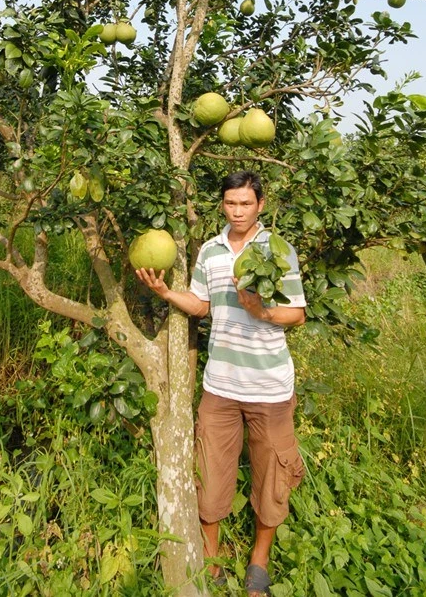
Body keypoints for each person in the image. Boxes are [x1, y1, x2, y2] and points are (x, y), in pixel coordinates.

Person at [135, 170, 306, 596]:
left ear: (260, 205)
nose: (238, 211)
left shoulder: (277, 251)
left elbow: (297, 313)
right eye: (231, 203)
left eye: (246, 203)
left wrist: (261, 311)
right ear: (222, 205)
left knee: (272, 478)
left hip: (269, 387)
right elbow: (201, 305)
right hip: (221, 387)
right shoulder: (210, 251)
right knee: (209, 477)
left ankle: (259, 563)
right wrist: (165, 294)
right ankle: (211, 559)